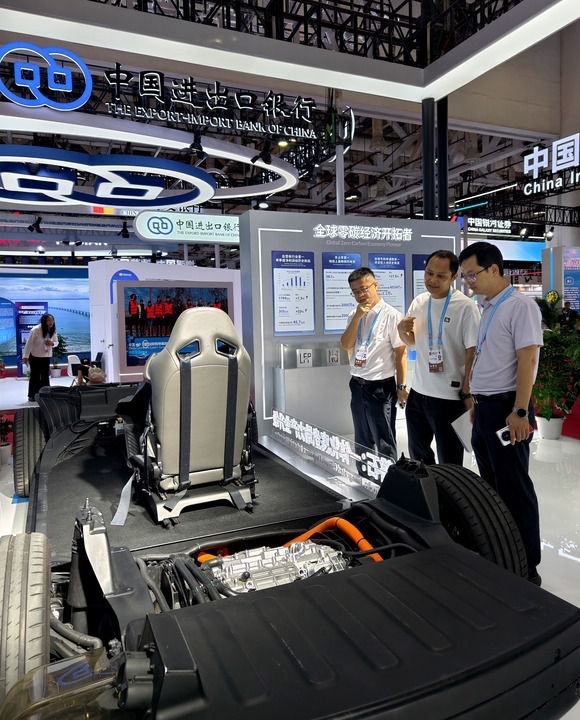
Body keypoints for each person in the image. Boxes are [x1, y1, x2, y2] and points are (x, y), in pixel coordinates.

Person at [458, 241, 543, 585]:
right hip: (486, 408)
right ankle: (501, 552)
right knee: (491, 486)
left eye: (472, 275)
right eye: (465, 276)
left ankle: (527, 567)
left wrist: (520, 410)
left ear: (493, 269)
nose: (469, 282)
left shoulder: (520, 306)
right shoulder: (487, 306)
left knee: (514, 488)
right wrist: (475, 400)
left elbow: (528, 360)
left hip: (509, 408)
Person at [397, 250, 480, 465]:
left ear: (454, 277)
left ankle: (447, 489)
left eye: (440, 276)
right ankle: (426, 487)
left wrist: (467, 389)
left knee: (449, 460)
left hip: (449, 397)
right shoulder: (419, 302)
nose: (432, 280)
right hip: (418, 392)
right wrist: (401, 331)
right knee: (418, 456)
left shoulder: (465, 307)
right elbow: (412, 342)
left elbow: (473, 351)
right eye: (429, 273)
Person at [340, 267, 407, 466]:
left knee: (384, 439)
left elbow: (400, 354)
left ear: (375, 285)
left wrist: (401, 387)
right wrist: (357, 317)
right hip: (357, 384)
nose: (360, 295)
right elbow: (346, 344)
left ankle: (389, 479)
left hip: (380, 387)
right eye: (355, 292)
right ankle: (365, 476)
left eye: (364, 289)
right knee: (362, 437)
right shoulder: (354, 314)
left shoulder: (392, 315)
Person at [22, 313, 59, 402]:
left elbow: (56, 342)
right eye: (48, 320)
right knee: (35, 376)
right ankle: (32, 395)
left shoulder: (53, 330)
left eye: (52, 320)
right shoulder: (35, 330)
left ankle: (45, 395)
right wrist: (26, 356)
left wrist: (52, 343)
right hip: (35, 356)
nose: (51, 322)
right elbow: (29, 343)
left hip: (46, 357)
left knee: (45, 376)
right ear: (44, 321)